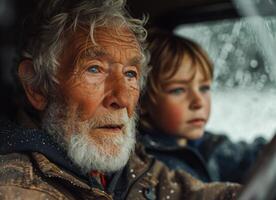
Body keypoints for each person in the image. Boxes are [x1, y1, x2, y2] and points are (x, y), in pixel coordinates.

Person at [0, 1, 241, 199]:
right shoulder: (19, 188)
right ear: (37, 87)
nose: (123, 98)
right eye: (94, 70)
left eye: (130, 74)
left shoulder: (130, 165)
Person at [138, 29, 266, 183]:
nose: (198, 102)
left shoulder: (204, 144)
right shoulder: (151, 168)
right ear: (142, 101)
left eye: (204, 88)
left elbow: (248, 158)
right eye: (178, 90)